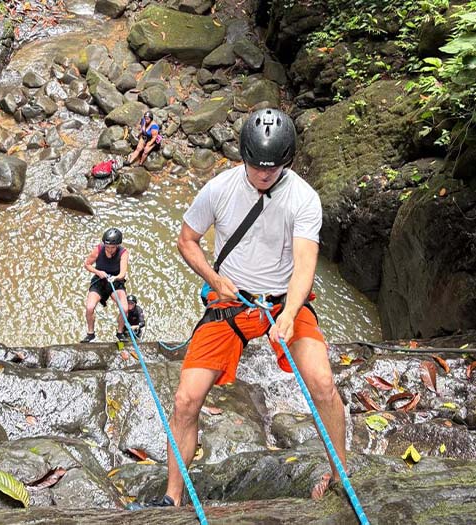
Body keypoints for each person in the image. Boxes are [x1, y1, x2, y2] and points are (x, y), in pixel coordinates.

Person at [147, 108, 347, 507]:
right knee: (186, 399)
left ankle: (339, 475)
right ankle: (172, 498)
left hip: (284, 301)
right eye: (255, 166)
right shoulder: (219, 189)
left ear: (287, 162)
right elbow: (187, 240)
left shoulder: (303, 199)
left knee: (322, 383)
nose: (262, 175)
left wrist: (289, 315)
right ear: (244, 157)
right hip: (230, 302)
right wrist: (215, 279)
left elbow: (305, 262)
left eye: (271, 169)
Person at [81, 227, 129, 343]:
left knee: (125, 309)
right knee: (90, 307)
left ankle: (120, 332)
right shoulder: (98, 249)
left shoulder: (123, 253)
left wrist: (116, 277)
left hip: (115, 282)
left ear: (117, 245)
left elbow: (123, 273)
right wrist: (98, 272)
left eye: (112, 247)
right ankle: (90, 333)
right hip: (99, 280)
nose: (110, 249)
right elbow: (87, 264)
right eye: (107, 247)